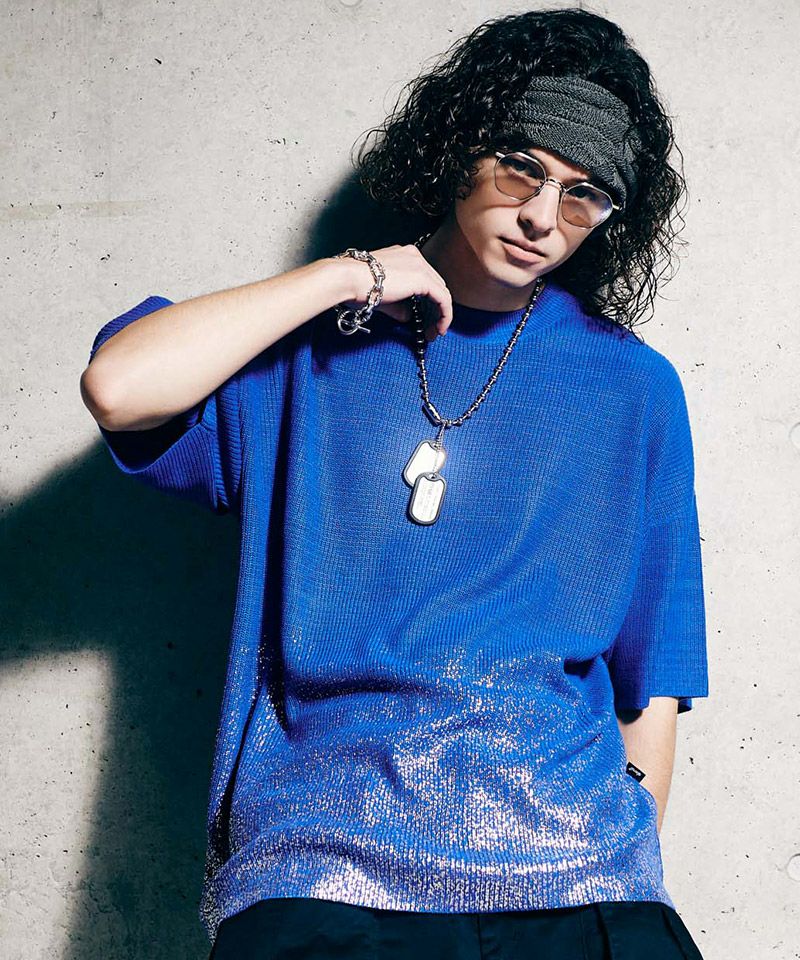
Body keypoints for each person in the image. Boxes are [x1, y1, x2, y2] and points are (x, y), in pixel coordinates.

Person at [80, 7, 709, 959]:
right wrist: (351, 277)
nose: (542, 218)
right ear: (460, 149)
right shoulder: (302, 354)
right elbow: (119, 388)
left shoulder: (633, 388)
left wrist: (628, 857)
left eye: (584, 196)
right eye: (521, 168)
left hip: (578, 872)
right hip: (324, 861)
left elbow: (650, 672)